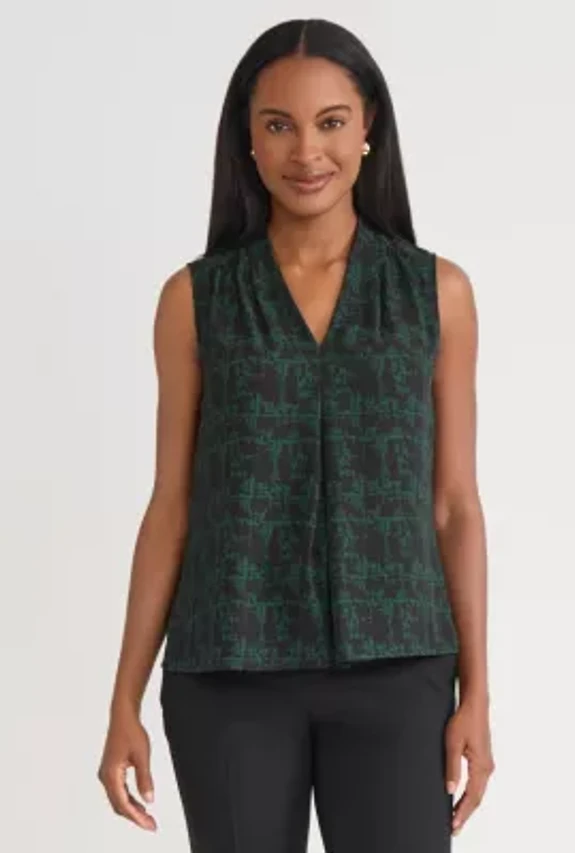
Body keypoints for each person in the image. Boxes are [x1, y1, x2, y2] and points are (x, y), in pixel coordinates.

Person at [97, 17, 495, 852]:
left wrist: (478, 694)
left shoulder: (436, 295)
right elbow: (171, 506)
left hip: (399, 668)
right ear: (246, 138)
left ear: (369, 126)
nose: (307, 151)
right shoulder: (195, 301)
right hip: (229, 670)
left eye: (331, 122)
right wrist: (122, 699)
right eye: (278, 124)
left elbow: (455, 505)